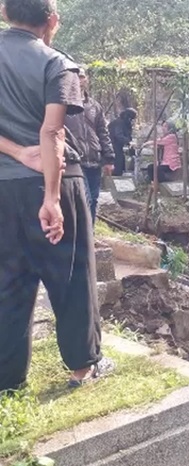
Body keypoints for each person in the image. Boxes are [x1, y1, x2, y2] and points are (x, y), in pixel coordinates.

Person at [0, 0, 111, 392]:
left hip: (3, 187)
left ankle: (7, 380)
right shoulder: (57, 64)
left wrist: (15, 152)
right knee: (72, 273)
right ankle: (84, 366)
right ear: (51, 20)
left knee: (8, 280)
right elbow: (52, 134)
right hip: (57, 181)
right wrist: (51, 197)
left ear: (3, 12)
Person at [64, 66, 114, 224]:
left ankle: (90, 234)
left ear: (86, 80)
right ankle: (83, 237)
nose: (79, 80)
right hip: (75, 159)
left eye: (82, 77)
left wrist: (109, 158)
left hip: (94, 158)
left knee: (94, 198)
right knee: (85, 199)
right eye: (76, 76)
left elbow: (103, 133)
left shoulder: (95, 106)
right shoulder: (63, 104)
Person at [108, 107, 137, 176]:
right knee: (118, 162)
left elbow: (127, 134)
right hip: (112, 145)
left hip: (118, 146)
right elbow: (118, 135)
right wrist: (128, 141)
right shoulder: (118, 123)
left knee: (121, 161)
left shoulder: (124, 123)